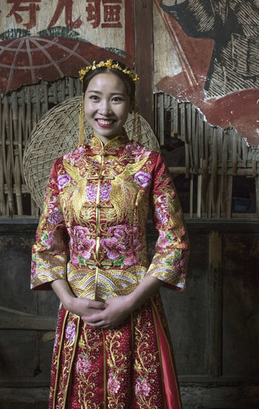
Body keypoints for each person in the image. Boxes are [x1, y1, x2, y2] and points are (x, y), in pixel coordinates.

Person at [31, 58, 189, 409]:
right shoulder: (63, 168)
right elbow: (47, 245)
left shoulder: (150, 164)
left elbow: (173, 242)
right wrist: (69, 301)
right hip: (78, 310)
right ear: (84, 102)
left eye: (116, 99)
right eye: (95, 97)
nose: (104, 109)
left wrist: (130, 302)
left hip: (134, 306)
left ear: (130, 106)